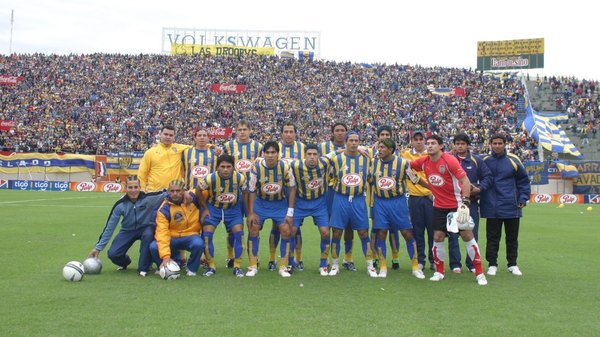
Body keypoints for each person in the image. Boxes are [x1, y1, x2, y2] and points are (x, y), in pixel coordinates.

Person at [410, 134, 488, 285]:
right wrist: (414, 178)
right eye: (428, 143)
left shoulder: (449, 160)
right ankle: (439, 271)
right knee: (438, 237)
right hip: (438, 206)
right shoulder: (424, 161)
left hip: (456, 205)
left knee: (467, 236)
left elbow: (465, 181)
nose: (430, 145)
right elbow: (408, 165)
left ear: (440, 146)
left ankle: (479, 273)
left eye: (433, 143)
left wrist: (465, 202)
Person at [88, 175, 166, 277]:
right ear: (125, 187)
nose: (133, 190)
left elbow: (168, 193)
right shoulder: (120, 204)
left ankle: (144, 267)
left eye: (136, 187)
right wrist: (98, 248)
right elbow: (109, 228)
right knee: (113, 254)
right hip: (127, 230)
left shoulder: (149, 198)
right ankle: (125, 262)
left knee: (148, 235)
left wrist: (187, 193)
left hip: (146, 228)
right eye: (130, 187)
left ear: (140, 187)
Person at [369, 138, 425, 279]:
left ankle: (415, 267)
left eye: (382, 147)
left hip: (398, 202)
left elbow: (415, 179)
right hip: (380, 203)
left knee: (407, 233)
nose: (379, 150)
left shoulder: (403, 163)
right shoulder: (373, 163)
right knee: (381, 233)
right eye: (378, 147)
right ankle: (382, 267)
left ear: (390, 150)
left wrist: (433, 189)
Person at [480, 133, 531, 276]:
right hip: (491, 205)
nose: (497, 146)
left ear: (505, 144)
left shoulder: (513, 160)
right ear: (490, 144)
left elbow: (523, 181)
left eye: (500, 143)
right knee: (492, 237)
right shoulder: (484, 160)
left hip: (511, 205)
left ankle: (512, 264)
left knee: (512, 238)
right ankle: (492, 264)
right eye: (494, 143)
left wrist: (523, 198)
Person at [328, 131, 376, 277]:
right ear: (346, 142)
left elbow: (371, 179)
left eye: (356, 141)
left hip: (358, 199)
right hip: (340, 199)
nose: (354, 143)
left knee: (363, 232)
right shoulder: (337, 159)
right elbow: (330, 178)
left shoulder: (366, 160)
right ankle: (335, 265)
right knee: (336, 231)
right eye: (351, 141)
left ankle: (370, 266)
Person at [246, 141, 296, 277]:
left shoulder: (285, 167)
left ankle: (283, 266)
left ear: (278, 154)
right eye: (267, 152)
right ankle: (252, 265)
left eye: (273, 152)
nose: (270, 155)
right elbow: (251, 190)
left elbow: (292, 188)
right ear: (263, 154)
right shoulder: (256, 168)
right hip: (261, 204)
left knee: (286, 230)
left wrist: (290, 212)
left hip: (279, 204)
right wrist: (250, 213)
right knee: (253, 228)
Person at [195, 154, 248, 278]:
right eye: (222, 166)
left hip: (232, 209)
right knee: (206, 235)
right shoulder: (210, 178)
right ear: (217, 168)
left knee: (239, 234)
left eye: (228, 166)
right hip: (214, 209)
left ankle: (237, 266)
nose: (225, 169)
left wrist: (245, 210)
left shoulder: (240, 178)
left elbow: (246, 193)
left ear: (233, 167)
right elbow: (198, 190)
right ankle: (211, 266)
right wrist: (205, 208)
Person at [448, 133, 492, 274]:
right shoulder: (448, 160)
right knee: (453, 233)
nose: (460, 146)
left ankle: (472, 263)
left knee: (472, 233)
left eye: (462, 144)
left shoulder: (476, 160)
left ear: (467, 145)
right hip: (452, 202)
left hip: (471, 203)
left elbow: (488, 177)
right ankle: (455, 264)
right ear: (454, 145)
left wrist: (479, 188)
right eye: (457, 143)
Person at [223, 120, 263, 268]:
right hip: (235, 193)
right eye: (239, 129)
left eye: (245, 129)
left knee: (253, 226)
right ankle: (230, 256)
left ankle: (255, 257)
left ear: (250, 130)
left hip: (253, 193)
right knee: (233, 228)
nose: (242, 132)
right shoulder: (228, 146)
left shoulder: (258, 147)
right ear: (236, 131)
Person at [319, 122, 356, 272]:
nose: (340, 133)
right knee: (327, 226)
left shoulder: (355, 148)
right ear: (332, 132)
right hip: (329, 191)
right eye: (337, 130)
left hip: (347, 192)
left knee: (348, 226)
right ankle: (326, 258)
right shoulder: (323, 147)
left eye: (342, 130)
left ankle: (348, 259)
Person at [290, 144, 332, 276]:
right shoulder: (296, 165)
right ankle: (291, 263)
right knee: (291, 231)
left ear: (319, 155)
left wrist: (359, 148)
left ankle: (323, 264)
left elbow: (337, 152)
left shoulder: (324, 162)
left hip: (319, 203)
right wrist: (260, 159)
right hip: (300, 203)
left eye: (315, 154)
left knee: (325, 232)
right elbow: (281, 160)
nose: (312, 157)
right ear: (304, 155)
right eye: (309, 154)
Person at [149, 179, 204, 277]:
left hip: (190, 235)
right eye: (172, 191)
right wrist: (165, 256)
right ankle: (164, 266)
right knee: (154, 246)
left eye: (178, 191)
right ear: (168, 191)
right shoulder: (164, 209)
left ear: (183, 191)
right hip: (172, 237)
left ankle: (191, 268)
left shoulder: (193, 199)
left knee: (198, 244)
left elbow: (204, 189)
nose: (175, 194)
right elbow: (162, 233)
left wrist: (188, 192)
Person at [271, 121, 307, 271]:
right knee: (276, 226)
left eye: (291, 132)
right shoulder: (274, 149)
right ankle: (272, 259)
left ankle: (297, 259)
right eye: (285, 132)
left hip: (296, 194)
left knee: (295, 228)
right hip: (278, 195)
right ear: (281, 134)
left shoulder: (303, 148)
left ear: (295, 133)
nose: (288, 134)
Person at [401, 130, 434, 271]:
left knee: (433, 231)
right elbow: (409, 174)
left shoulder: (432, 154)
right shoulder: (405, 155)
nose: (419, 141)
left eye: (421, 139)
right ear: (412, 141)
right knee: (417, 231)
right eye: (416, 139)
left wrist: (433, 191)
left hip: (432, 197)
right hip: (415, 197)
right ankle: (420, 260)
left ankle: (434, 260)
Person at [138, 125, 190, 192]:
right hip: (155, 192)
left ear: (174, 137)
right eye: (166, 134)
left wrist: (208, 145)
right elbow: (142, 173)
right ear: (160, 134)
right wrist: (142, 190)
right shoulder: (150, 152)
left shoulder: (180, 148)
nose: (168, 137)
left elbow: (196, 147)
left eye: (171, 135)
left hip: (175, 193)